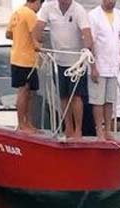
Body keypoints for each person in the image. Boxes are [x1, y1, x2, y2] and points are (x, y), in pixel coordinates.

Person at [33, 0, 93, 139]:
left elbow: (87, 34)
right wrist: (37, 42)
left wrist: (87, 48)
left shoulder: (79, 10)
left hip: (76, 63)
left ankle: (78, 130)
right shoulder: (48, 7)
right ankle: (68, 128)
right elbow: (38, 28)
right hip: (58, 61)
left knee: (77, 97)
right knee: (63, 96)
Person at [87, 0, 120, 141]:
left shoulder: (119, 15)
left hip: (113, 65)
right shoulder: (93, 15)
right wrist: (93, 66)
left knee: (109, 100)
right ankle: (99, 130)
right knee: (98, 100)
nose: (111, 2)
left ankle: (108, 130)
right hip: (99, 65)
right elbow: (90, 42)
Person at [6, 0, 43, 133]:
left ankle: (28, 123)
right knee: (24, 91)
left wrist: (20, 39)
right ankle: (23, 124)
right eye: (40, 4)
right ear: (37, 2)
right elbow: (36, 37)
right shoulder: (30, 14)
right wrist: (39, 46)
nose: (40, 8)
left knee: (30, 92)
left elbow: (8, 34)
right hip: (25, 59)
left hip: (17, 57)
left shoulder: (17, 12)